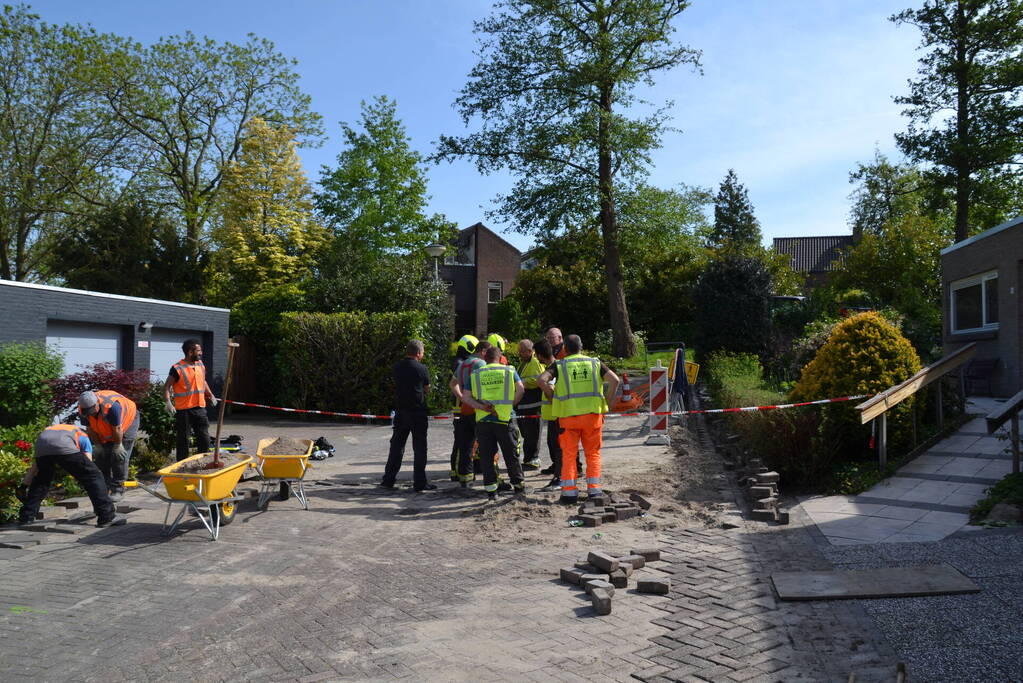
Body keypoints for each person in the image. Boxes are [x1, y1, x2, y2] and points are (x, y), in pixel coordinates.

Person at [537, 334, 620, 504]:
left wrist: (552, 396)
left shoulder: (560, 365)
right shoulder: (595, 363)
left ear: (565, 349)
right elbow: (615, 380)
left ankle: (569, 493)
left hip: (568, 418)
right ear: (581, 347)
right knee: (593, 453)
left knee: (568, 454)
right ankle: (594, 491)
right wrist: (607, 402)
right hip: (592, 417)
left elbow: (541, 380)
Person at [18, 424, 125, 528]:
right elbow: (88, 466)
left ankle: (26, 517)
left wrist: (23, 486)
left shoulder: (55, 430)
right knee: (94, 476)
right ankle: (107, 517)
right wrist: (85, 482)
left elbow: (34, 468)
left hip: (41, 443)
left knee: (42, 480)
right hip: (63, 444)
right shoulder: (83, 436)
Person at [462, 345, 526, 499]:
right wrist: (511, 404)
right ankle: (518, 487)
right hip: (505, 419)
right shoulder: (509, 370)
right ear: (500, 357)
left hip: (484, 421)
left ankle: (491, 491)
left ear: (485, 358)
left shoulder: (476, 374)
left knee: (486, 456)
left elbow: (466, 397)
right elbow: (521, 389)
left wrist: (481, 407)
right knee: (511, 454)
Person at [381, 340, 435, 492]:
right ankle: (420, 483)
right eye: (422, 352)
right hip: (417, 412)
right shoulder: (422, 368)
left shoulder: (397, 367)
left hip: (401, 411)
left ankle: (388, 480)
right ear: (418, 353)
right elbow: (427, 388)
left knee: (397, 446)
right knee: (419, 448)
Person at [78, 390, 140, 502]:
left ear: (97, 403)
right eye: (87, 411)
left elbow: (117, 429)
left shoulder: (112, 407)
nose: (90, 413)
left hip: (128, 421)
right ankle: (104, 487)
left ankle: (118, 488)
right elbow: (90, 429)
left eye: (92, 410)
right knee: (102, 457)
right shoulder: (83, 410)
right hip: (107, 427)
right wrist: (98, 445)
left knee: (119, 456)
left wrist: (117, 446)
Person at [163, 339, 218, 462]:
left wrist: (210, 395)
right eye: (198, 351)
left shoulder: (200, 364)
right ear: (190, 352)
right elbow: (167, 386)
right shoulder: (177, 368)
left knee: (204, 437)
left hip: (200, 407)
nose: (201, 353)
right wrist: (168, 402)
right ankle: (182, 465)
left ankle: (204, 462)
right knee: (183, 440)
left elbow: (202, 381)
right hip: (184, 410)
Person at [449, 340, 491, 486]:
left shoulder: (463, 363)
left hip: (464, 408)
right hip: (478, 409)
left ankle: (465, 477)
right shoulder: (481, 364)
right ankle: (491, 476)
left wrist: (462, 398)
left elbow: (452, 384)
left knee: (465, 443)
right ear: (483, 351)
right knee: (486, 443)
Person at [533, 339, 564, 491]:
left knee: (557, 446)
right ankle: (560, 472)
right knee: (555, 446)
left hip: (557, 415)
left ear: (540, 355)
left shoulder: (554, 369)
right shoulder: (553, 366)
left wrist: (551, 398)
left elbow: (548, 385)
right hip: (553, 415)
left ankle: (560, 477)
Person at [448, 335, 478, 481]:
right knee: (462, 440)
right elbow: (457, 384)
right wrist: (464, 399)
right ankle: (457, 471)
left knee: (462, 440)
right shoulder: (461, 363)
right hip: (462, 407)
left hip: (461, 405)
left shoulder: (459, 361)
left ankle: (457, 471)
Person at [516, 339, 544, 471]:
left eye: (521, 351)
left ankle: (533, 459)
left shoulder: (535, 362)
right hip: (524, 406)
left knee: (533, 434)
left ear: (529, 351)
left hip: (533, 405)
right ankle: (528, 459)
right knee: (527, 434)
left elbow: (539, 379)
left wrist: (522, 382)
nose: (519, 354)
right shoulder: (524, 363)